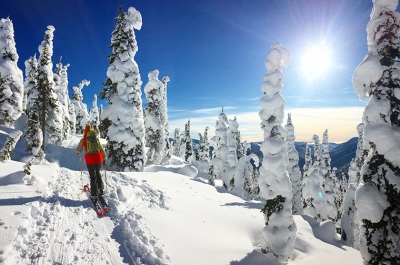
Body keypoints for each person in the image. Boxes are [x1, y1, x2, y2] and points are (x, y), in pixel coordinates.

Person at [77, 124, 107, 199]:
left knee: (93, 177)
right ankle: (100, 190)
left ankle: (94, 194)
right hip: (99, 159)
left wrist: (78, 152)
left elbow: (78, 149)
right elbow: (101, 149)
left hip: (90, 160)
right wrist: (104, 158)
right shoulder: (96, 138)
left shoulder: (84, 139)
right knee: (98, 174)